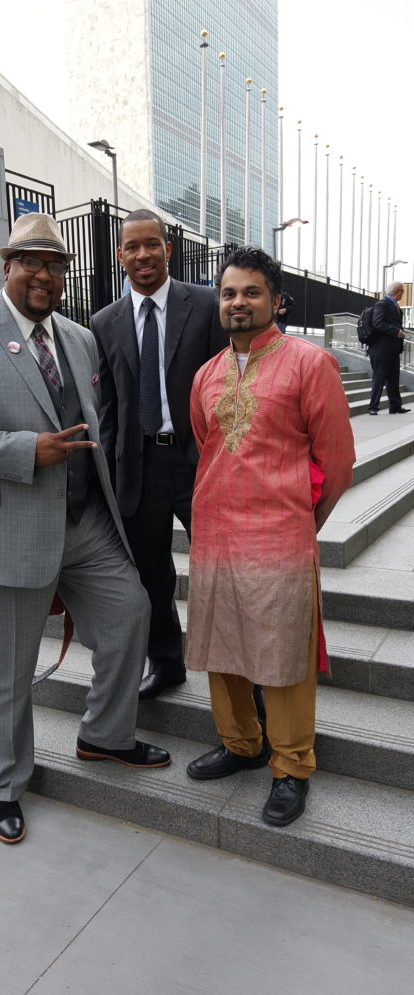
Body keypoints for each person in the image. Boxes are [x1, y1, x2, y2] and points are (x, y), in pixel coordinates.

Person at [0, 213, 171, 846]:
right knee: (4, 669)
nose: (44, 275)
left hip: (81, 524)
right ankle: (2, 782)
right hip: (0, 530)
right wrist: (26, 449)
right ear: (7, 267)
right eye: (31, 262)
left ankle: (102, 736)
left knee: (130, 613)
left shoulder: (79, 339)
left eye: (55, 265)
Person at [185, 247, 355, 827]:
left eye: (251, 292)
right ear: (219, 301)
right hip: (214, 535)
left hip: (280, 539)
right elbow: (205, 442)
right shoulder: (206, 375)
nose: (239, 303)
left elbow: (336, 464)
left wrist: (303, 524)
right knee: (221, 647)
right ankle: (241, 745)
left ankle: (291, 766)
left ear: (275, 300)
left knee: (283, 657)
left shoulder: (310, 364)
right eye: (229, 293)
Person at [90, 209, 226, 700]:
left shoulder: (208, 305)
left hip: (198, 463)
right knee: (151, 575)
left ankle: (239, 675)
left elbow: (228, 387)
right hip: (138, 466)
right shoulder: (104, 321)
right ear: (120, 255)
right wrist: (101, 474)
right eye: (132, 247)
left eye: (152, 244)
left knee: (222, 570)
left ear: (168, 248)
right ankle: (166, 663)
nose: (143, 254)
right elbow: (108, 407)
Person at [368, 281, 408, 415]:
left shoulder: (396, 307)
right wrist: (396, 331)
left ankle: (395, 406)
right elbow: (377, 323)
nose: (403, 293)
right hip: (380, 349)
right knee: (379, 378)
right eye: (402, 290)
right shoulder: (382, 304)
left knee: (393, 379)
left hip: (393, 349)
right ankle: (373, 407)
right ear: (397, 291)